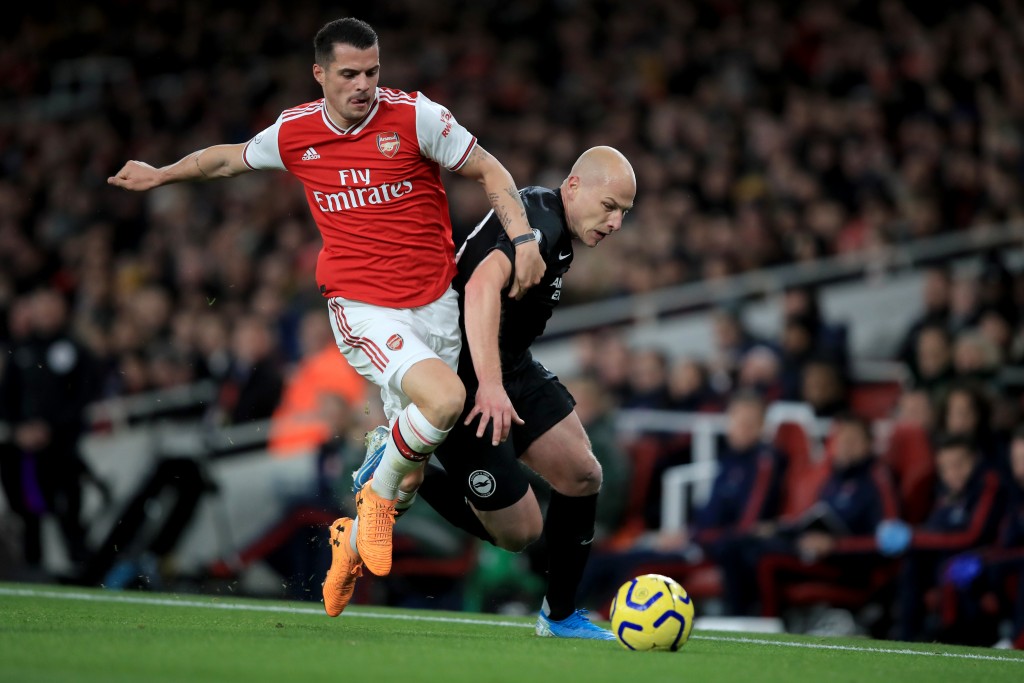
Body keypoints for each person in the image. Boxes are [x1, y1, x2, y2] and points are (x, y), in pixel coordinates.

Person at [106, 17, 546, 608]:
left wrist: (523, 239)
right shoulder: (296, 132)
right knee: (444, 401)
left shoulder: (416, 118)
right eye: (349, 74)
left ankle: (354, 535)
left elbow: (491, 169)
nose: (363, 84)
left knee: (410, 478)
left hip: (436, 307)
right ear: (320, 75)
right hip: (363, 308)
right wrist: (162, 174)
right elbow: (226, 161)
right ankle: (371, 482)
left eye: (372, 71)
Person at [339, 146, 636, 639]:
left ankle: (559, 617)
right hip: (468, 379)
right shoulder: (542, 225)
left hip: (510, 365)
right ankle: (397, 452)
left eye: (624, 212)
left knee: (583, 474)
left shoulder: (549, 217)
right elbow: (479, 288)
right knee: (518, 534)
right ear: (576, 186)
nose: (616, 222)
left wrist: (503, 376)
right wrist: (491, 388)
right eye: (610, 206)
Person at [0, 287, 103, 572]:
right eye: (40, 303)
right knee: (26, 512)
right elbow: (6, 397)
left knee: (68, 510)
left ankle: (82, 569)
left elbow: (84, 396)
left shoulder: (76, 349)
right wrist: (20, 429)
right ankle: (31, 569)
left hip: (62, 447)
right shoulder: (20, 350)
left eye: (51, 303)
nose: (46, 310)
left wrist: (51, 428)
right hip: (24, 450)